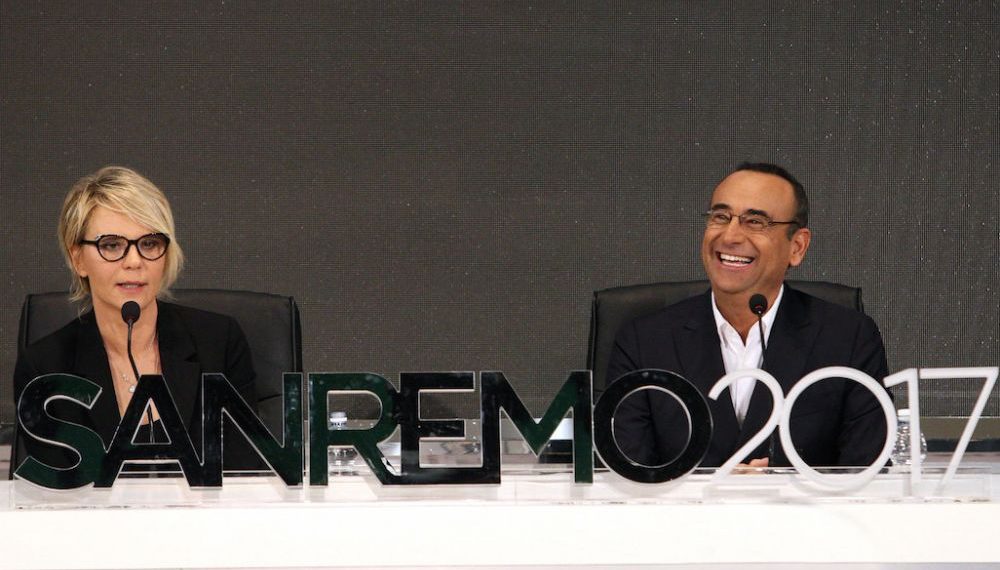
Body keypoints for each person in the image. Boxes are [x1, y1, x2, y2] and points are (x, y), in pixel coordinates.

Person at [607, 162, 890, 468]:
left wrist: (780, 485)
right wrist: (716, 488)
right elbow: (625, 475)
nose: (730, 236)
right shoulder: (644, 342)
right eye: (720, 217)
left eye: (755, 222)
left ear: (797, 246)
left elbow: (869, 473)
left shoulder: (848, 338)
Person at [12, 166, 260, 472]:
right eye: (111, 245)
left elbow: (242, 475)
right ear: (78, 259)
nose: (134, 261)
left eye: (149, 244)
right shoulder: (45, 368)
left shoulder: (219, 342)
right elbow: (63, 485)